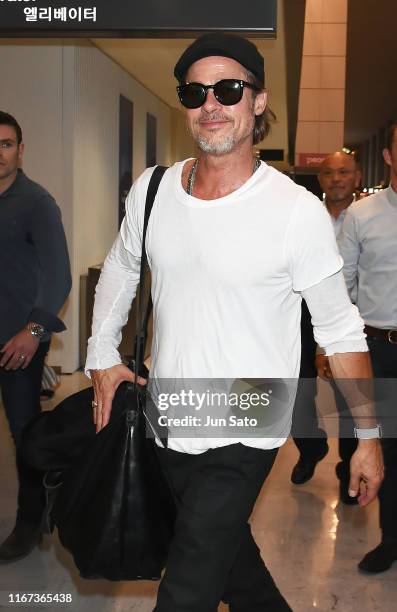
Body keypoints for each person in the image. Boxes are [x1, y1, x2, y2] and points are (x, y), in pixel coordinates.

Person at [86, 33, 383, 611]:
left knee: (187, 588)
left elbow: (341, 330)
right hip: (169, 407)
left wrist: (369, 437)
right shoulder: (151, 190)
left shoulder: (294, 212)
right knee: (227, 564)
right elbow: (122, 268)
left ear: (258, 101)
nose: (211, 104)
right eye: (195, 92)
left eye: (228, 89)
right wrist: (102, 355)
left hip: (251, 410)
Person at [0, 111, 71, 563]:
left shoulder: (36, 202)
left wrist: (34, 332)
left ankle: (31, 519)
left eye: (5, 144)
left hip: (19, 341)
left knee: (24, 434)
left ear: (20, 150)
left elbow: (59, 277)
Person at [338, 120, 397, 573]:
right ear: (390, 156)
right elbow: (345, 286)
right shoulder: (362, 215)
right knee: (388, 449)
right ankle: (391, 540)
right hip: (383, 350)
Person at [291, 152, 362, 506]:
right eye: (329, 172)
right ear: (319, 179)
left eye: (344, 172)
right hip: (302, 316)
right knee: (297, 390)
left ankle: (350, 464)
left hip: (354, 317)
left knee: (350, 395)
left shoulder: (366, 217)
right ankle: (310, 447)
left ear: (357, 176)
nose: (336, 178)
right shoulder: (304, 215)